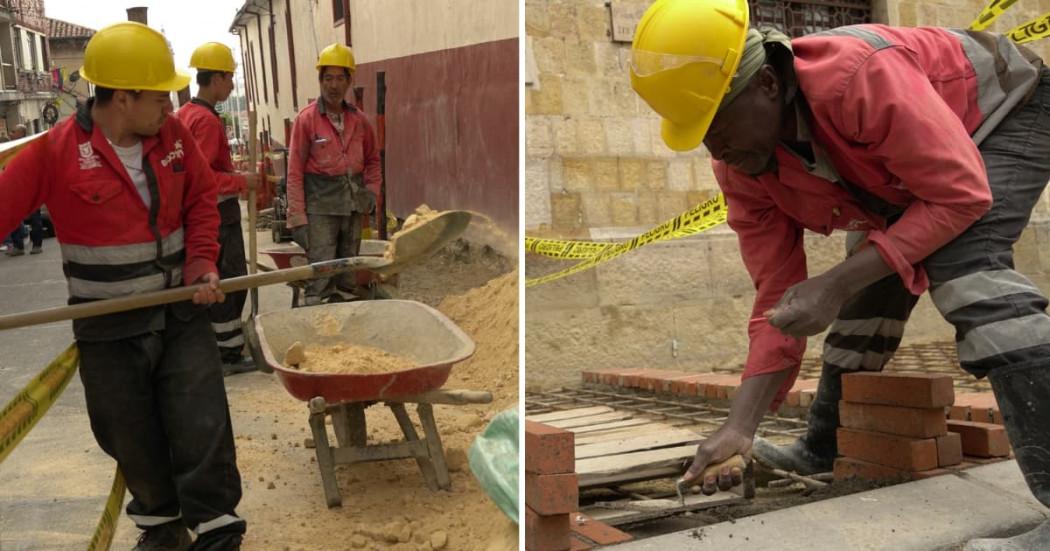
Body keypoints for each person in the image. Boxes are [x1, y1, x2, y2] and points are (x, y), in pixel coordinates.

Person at [629, 1, 1050, 549]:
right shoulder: (744, 166)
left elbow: (959, 196)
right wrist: (740, 427)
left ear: (766, 85)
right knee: (867, 288)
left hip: (1007, 113)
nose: (714, 147)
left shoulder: (857, 78)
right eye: (697, 133)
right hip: (911, 167)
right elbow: (776, 299)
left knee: (967, 271)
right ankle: (822, 447)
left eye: (715, 122)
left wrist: (834, 282)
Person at [0, 22, 245, 550]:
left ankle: (218, 526)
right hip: (107, 325)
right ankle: (161, 528)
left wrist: (203, 263)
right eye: (159, 94)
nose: (169, 103)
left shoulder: (175, 137)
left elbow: (203, 199)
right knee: (127, 432)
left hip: (180, 312)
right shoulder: (56, 151)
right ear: (123, 96)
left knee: (201, 420)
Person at [177, 42, 255, 375]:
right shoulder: (207, 121)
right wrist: (241, 180)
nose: (233, 85)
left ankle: (213, 347)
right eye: (230, 78)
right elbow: (204, 176)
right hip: (219, 213)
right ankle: (228, 353)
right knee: (230, 280)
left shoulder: (185, 114)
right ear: (217, 79)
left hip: (196, 214)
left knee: (210, 280)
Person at [285, 42, 381, 306]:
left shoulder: (359, 120)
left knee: (348, 274)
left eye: (340, 78)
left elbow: (373, 159)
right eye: (328, 78)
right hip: (320, 212)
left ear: (349, 81)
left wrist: (371, 192)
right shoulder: (306, 120)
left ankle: (346, 334)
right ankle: (317, 331)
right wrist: (298, 218)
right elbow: (293, 172)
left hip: (352, 209)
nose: (333, 85)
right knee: (321, 277)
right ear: (320, 80)